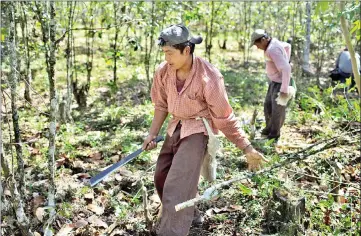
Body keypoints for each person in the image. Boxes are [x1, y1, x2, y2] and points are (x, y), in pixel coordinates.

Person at [142, 24, 268, 236]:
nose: (166, 58)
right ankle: (189, 212)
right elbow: (161, 105)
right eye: (164, 53)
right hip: (176, 127)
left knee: (177, 187)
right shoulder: (163, 72)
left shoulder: (209, 77)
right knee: (161, 177)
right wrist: (152, 134)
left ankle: (170, 231)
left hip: (198, 130)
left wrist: (246, 147)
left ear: (187, 50)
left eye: (170, 53)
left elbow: (224, 117)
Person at [250, 29, 293, 140]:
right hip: (274, 82)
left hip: (281, 84)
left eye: (257, 44)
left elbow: (286, 68)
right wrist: (286, 59)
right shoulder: (273, 43)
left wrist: (284, 90)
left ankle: (274, 135)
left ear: (263, 40)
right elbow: (287, 46)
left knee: (277, 110)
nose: (257, 47)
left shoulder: (272, 49)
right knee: (268, 106)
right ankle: (269, 128)